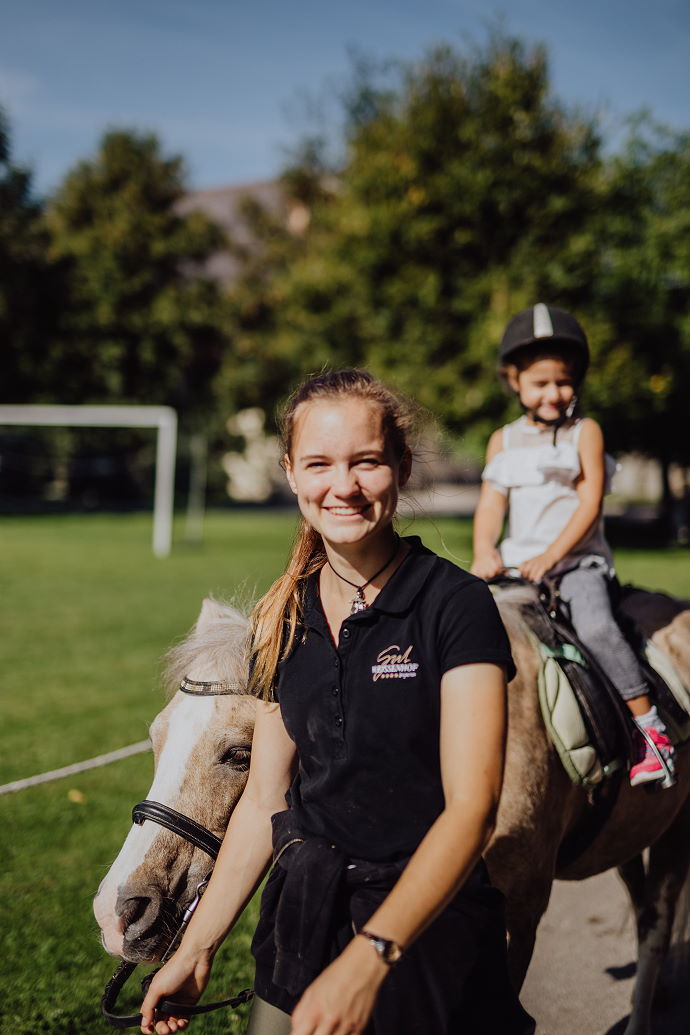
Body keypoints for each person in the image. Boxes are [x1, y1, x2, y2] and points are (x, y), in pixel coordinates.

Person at [140, 369, 534, 1035]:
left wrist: (371, 955)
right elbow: (267, 799)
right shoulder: (282, 616)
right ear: (292, 472)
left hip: (428, 941)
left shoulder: (456, 606)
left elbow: (473, 809)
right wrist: (197, 944)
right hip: (299, 930)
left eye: (367, 462)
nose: (343, 485)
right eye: (319, 463)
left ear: (402, 467)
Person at [471, 303, 675, 788]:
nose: (553, 393)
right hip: (519, 568)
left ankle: (651, 730)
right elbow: (490, 506)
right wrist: (484, 550)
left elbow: (588, 507)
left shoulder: (586, 433)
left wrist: (555, 555)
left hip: (577, 563)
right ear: (514, 381)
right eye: (540, 383)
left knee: (598, 627)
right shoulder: (502, 441)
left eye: (562, 382)